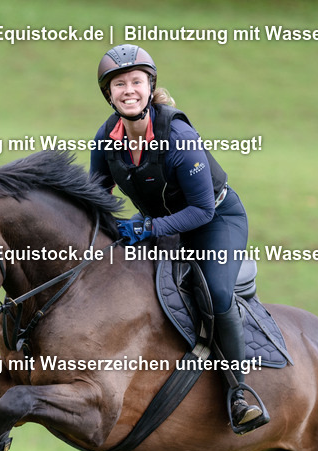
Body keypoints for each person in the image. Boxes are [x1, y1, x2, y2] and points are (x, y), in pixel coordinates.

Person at [90, 44, 266, 431]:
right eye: (119, 84)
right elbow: (95, 197)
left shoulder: (179, 135)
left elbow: (202, 210)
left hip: (216, 220)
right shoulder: (106, 138)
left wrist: (148, 228)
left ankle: (240, 391)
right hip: (162, 220)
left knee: (217, 291)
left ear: (150, 87)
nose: (128, 90)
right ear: (109, 94)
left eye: (136, 81)